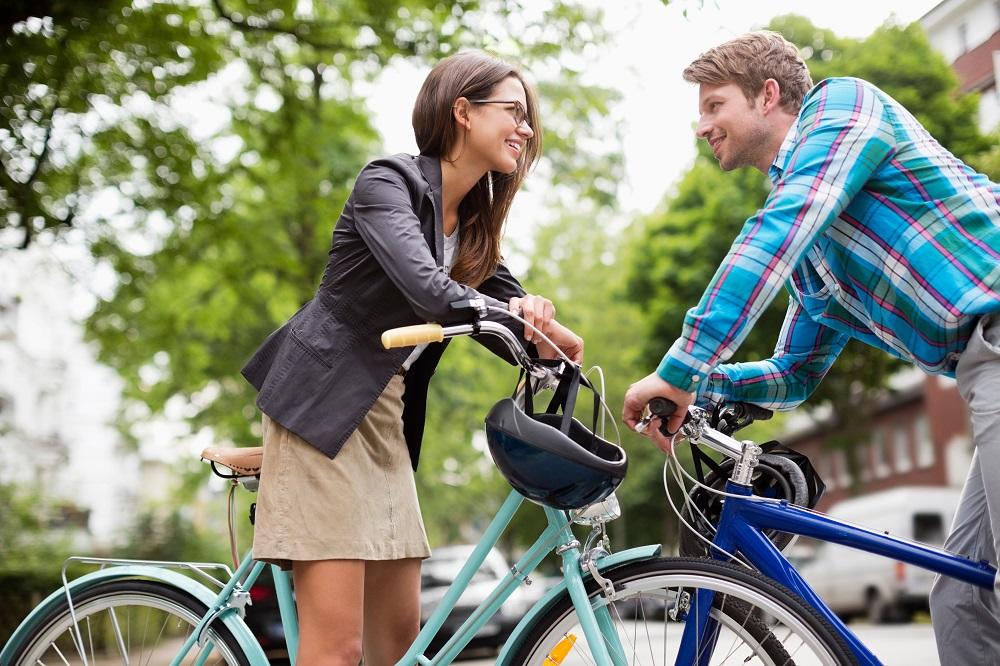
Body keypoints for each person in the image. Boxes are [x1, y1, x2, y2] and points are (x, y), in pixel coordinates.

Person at [621, 31, 1000, 661]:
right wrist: (701, 387)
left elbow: (780, 231)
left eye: (714, 105)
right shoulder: (818, 245)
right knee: (962, 600)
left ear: (768, 96)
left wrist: (681, 366)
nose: (702, 126)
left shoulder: (845, 109)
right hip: (982, 365)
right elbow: (794, 373)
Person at [241, 51, 583, 666]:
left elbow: (496, 305)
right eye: (514, 112)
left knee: (397, 649)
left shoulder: (473, 225)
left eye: (528, 119)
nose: (526, 130)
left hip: (388, 427)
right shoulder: (387, 183)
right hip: (324, 416)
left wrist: (546, 335)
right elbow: (428, 288)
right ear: (462, 112)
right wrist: (506, 313)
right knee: (337, 652)